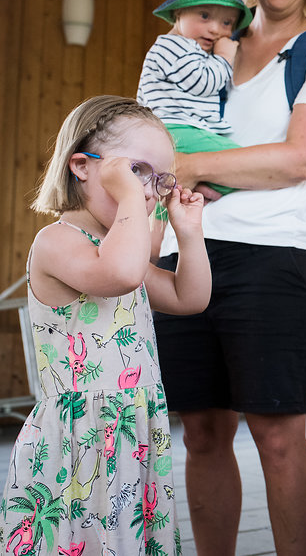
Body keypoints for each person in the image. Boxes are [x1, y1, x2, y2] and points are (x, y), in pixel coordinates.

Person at [151, 0, 306, 556]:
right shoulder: (203, 44)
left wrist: (191, 165)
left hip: (273, 260)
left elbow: (301, 158)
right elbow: (154, 135)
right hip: (182, 254)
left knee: (277, 435)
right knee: (202, 432)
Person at [0, 95, 210, 556]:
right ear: (81, 166)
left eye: (159, 180)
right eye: (136, 171)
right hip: (81, 441)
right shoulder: (58, 242)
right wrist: (133, 200)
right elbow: (121, 275)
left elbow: (188, 297)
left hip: (133, 431)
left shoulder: (120, 250)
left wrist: (189, 232)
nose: (149, 191)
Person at [138, 0, 254, 206]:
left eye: (226, 23)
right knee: (244, 163)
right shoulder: (173, 47)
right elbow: (204, 82)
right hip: (179, 131)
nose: (215, 29)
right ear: (178, 12)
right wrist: (225, 57)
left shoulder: (188, 49)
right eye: (204, 15)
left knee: (171, 198)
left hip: (176, 134)